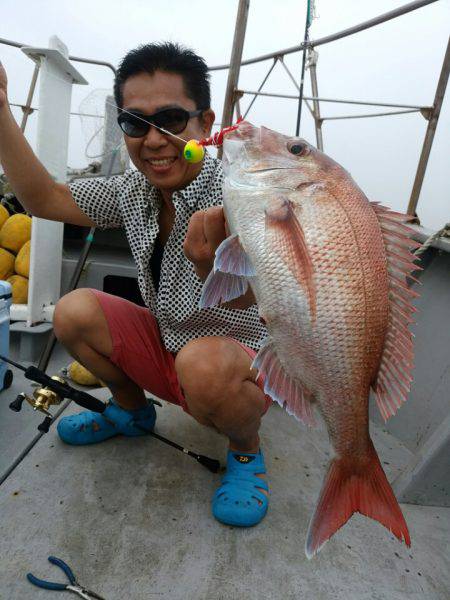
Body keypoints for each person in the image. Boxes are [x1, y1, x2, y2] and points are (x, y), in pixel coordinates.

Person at [0, 42, 270, 527]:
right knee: (73, 311)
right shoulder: (133, 188)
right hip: (169, 346)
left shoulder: (238, 193)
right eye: (135, 123)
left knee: (203, 365)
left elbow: (264, 302)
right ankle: (131, 413)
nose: (154, 139)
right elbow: (44, 199)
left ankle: (246, 450)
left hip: (233, 368)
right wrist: (1, 111)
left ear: (206, 125)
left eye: (171, 118)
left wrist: (216, 267)